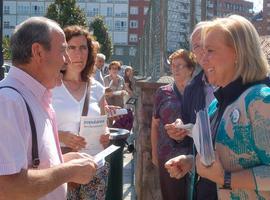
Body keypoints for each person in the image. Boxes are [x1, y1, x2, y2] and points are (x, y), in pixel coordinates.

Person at [167, 15, 270, 199]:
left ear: (238, 52)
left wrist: (226, 179)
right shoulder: (217, 103)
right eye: (202, 50)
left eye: (210, 51)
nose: (202, 59)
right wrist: (191, 162)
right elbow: (229, 158)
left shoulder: (260, 101)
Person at [0, 17, 97, 200]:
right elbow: (7, 188)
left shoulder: (35, 98)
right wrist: (68, 171)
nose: (67, 59)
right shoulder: (8, 102)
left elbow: (31, 165)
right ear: (38, 52)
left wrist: (63, 162)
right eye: (63, 50)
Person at [52, 25, 110, 200]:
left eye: (83, 48)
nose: (79, 53)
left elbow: (104, 124)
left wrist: (105, 134)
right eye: (72, 47)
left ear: (89, 52)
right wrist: (61, 136)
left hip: (94, 166)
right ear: (63, 51)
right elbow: (37, 127)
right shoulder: (50, 86)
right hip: (61, 166)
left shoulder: (98, 88)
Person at [165, 21, 218, 200]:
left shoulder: (256, 91)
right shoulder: (193, 88)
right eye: (197, 46)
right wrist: (181, 131)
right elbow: (192, 133)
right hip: (204, 183)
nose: (204, 51)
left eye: (208, 45)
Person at [151, 49, 196, 200]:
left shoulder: (200, 92)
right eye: (173, 65)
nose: (175, 69)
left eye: (180, 65)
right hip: (168, 154)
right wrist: (154, 154)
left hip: (195, 154)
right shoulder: (162, 92)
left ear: (191, 69)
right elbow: (155, 124)